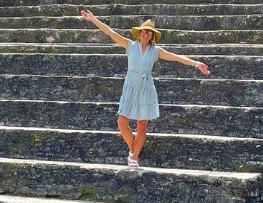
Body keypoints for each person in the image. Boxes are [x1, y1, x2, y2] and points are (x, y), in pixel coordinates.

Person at [80, 10, 210, 167]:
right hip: (130, 87)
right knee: (122, 122)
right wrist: (94, 19)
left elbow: (176, 58)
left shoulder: (156, 51)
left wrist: (196, 64)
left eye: (150, 33)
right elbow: (110, 32)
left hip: (146, 89)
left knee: (142, 125)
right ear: (139, 33)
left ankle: (134, 157)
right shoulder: (129, 45)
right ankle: (133, 150)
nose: (146, 34)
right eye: (144, 32)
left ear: (152, 36)